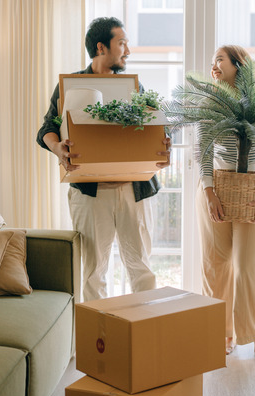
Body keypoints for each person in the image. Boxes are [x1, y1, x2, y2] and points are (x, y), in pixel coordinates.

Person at [36, 17, 171, 303]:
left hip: (134, 191)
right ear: (101, 47)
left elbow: (156, 129)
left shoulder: (136, 89)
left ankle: (145, 339)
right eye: (121, 43)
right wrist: (59, 148)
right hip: (90, 192)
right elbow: (46, 129)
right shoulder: (70, 86)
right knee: (93, 273)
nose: (128, 51)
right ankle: (101, 344)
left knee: (141, 268)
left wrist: (161, 144)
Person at [196, 45, 255, 359]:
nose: (214, 65)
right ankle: (223, 333)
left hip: (253, 192)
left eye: (219, 59)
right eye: (212, 59)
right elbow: (203, 150)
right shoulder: (210, 102)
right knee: (216, 266)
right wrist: (209, 192)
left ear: (237, 65)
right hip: (215, 189)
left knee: (245, 266)